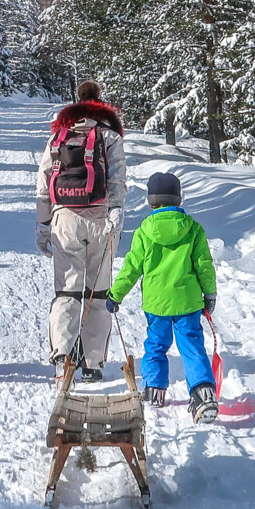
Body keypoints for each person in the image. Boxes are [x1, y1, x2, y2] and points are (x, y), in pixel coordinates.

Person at [107, 171, 219, 423]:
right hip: (188, 302)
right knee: (191, 346)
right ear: (178, 199)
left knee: (156, 345)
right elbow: (204, 265)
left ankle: (154, 390)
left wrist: (116, 295)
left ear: (151, 201)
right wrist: (209, 293)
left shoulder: (145, 231)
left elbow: (132, 268)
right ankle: (203, 393)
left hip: (157, 305)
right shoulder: (193, 229)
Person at [37, 80, 127, 382]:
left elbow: (43, 182)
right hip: (101, 220)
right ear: (100, 101)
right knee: (97, 292)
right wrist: (116, 214)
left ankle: (63, 355)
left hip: (65, 220)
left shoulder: (59, 135)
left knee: (67, 290)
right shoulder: (110, 135)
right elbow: (117, 179)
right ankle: (92, 363)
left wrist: (43, 224)